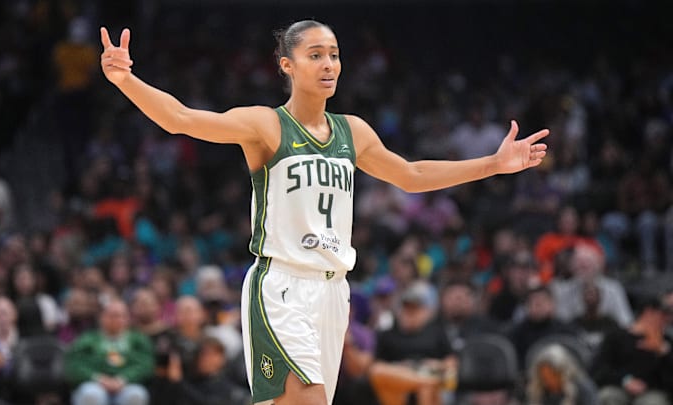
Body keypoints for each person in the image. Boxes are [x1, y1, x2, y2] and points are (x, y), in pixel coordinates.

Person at [99, 20, 550, 405]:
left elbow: (411, 174)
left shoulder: (352, 130)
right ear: (287, 65)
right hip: (283, 285)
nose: (329, 64)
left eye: (334, 54)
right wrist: (125, 80)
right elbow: (183, 118)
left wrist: (492, 165)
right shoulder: (266, 125)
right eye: (315, 55)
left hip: (333, 291)